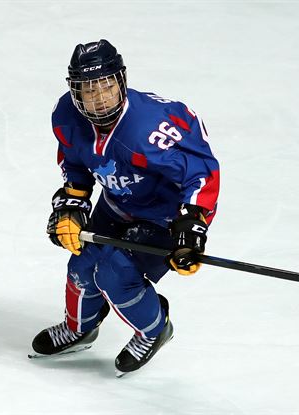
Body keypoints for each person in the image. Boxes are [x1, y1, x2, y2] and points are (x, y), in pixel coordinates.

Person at [30, 39, 220, 376]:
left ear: (121, 81)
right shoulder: (66, 116)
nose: (100, 97)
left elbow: (202, 173)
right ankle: (79, 328)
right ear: (76, 91)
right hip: (117, 203)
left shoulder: (153, 126)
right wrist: (71, 203)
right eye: (89, 89)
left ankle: (154, 329)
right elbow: (76, 164)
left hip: (164, 214)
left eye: (106, 85)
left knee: (115, 274)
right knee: (82, 265)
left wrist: (192, 227)